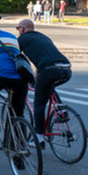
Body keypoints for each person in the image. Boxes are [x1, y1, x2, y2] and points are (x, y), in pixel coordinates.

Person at [16, 19, 72, 147]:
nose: (18, 31)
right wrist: (36, 75)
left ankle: (39, 138)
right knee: (49, 86)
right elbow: (44, 55)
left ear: (23, 29)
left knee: (39, 105)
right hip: (66, 68)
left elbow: (18, 59)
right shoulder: (43, 36)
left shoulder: (21, 40)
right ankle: (61, 111)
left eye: (18, 28)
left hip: (49, 70)